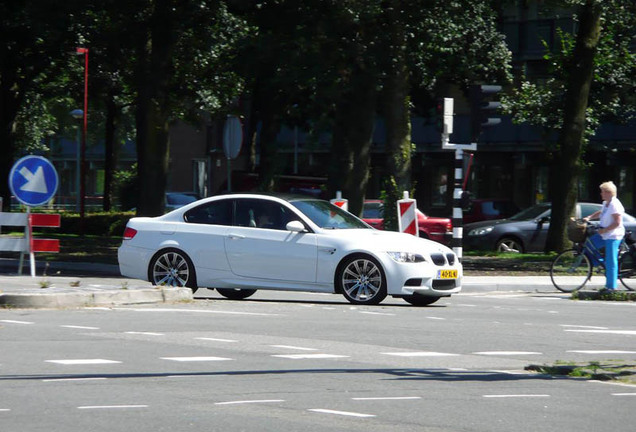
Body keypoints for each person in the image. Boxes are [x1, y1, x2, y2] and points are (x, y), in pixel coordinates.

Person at [583, 181, 625, 291]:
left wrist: (605, 230)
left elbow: (617, 223)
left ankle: (611, 287)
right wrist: (589, 217)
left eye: (602, 192)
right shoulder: (606, 203)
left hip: (613, 235)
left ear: (608, 192)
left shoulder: (615, 204)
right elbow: (600, 212)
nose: (601, 194)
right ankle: (602, 263)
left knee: (611, 260)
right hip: (604, 233)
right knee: (589, 244)